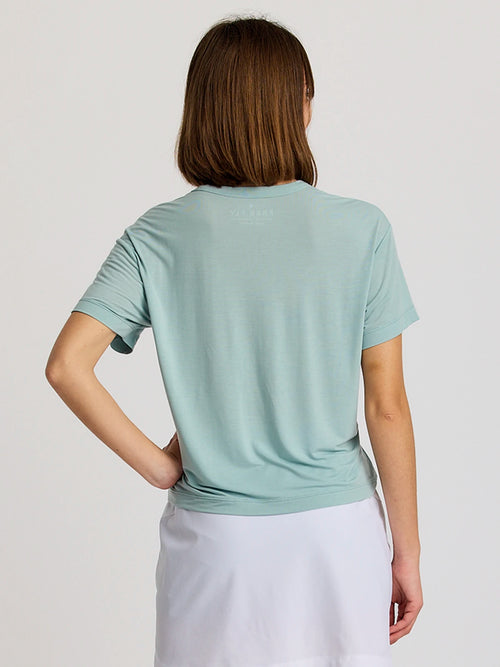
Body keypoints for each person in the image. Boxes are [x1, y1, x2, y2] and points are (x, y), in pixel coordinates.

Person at [45, 14, 423, 667]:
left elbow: (66, 366)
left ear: (202, 110)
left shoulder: (155, 236)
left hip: (214, 539)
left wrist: (161, 467)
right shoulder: (362, 229)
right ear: (300, 106)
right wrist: (407, 555)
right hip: (336, 532)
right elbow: (385, 404)